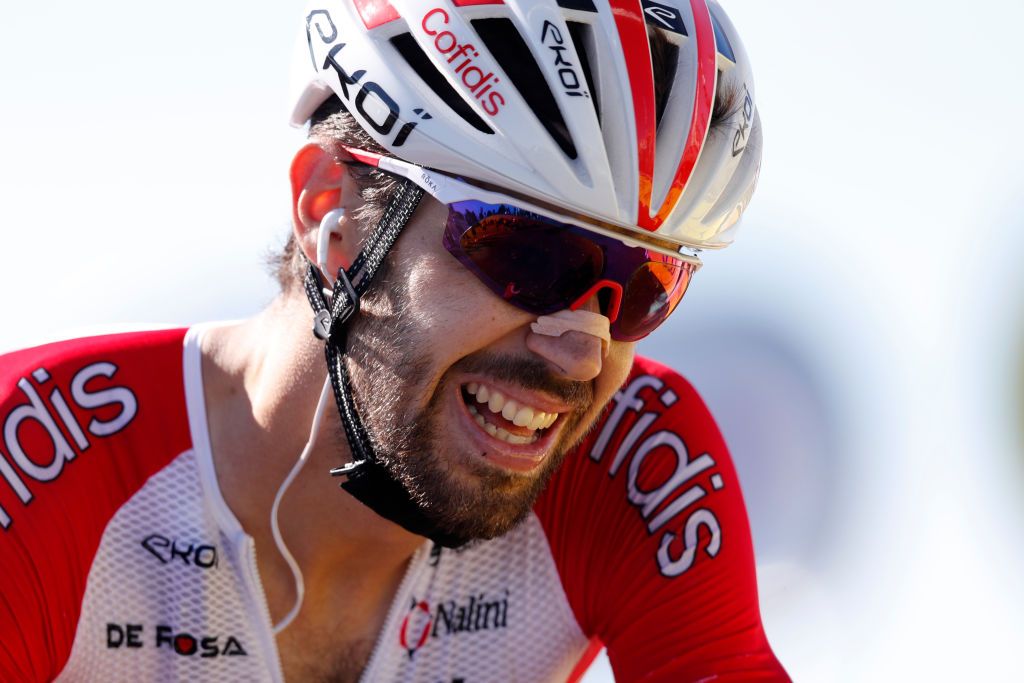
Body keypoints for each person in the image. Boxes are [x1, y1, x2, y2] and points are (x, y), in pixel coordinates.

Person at [0, 0, 787, 680]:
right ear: (328, 210)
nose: (582, 355)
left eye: (645, 287)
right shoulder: (35, 465)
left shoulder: (630, 465)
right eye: (525, 255)